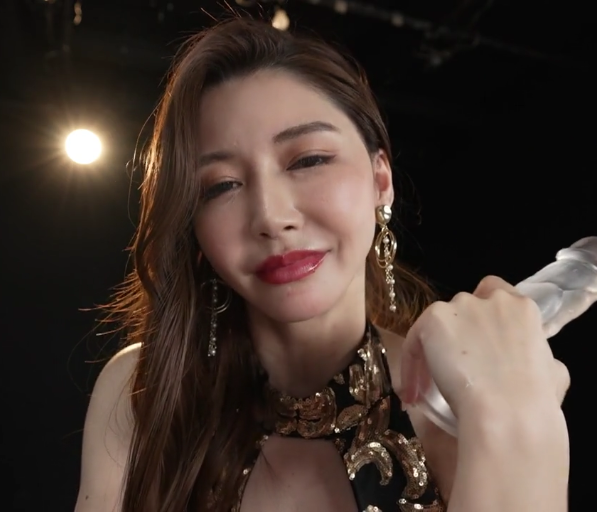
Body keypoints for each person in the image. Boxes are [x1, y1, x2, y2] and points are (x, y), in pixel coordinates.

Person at [75, 17, 571, 512]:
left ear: (381, 180)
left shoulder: (459, 403)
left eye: (308, 160)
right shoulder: (143, 394)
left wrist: (515, 421)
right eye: (221, 186)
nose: (271, 217)